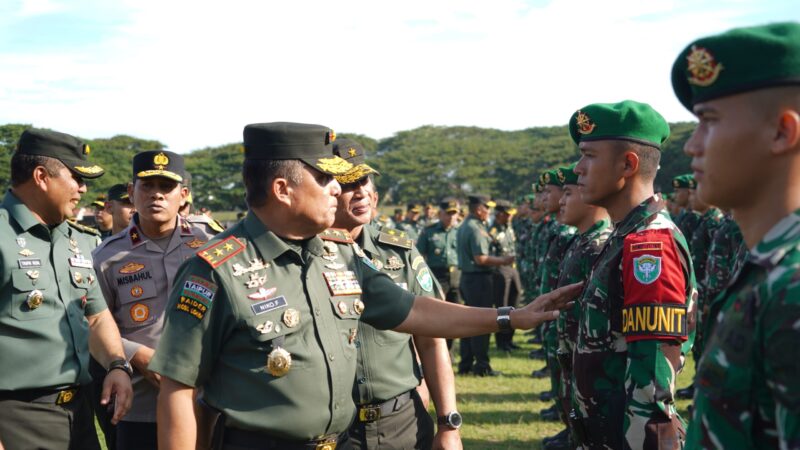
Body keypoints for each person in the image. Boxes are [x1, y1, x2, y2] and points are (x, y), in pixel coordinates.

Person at [149, 122, 580, 450]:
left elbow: (415, 310)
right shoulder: (216, 269)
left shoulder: (337, 253)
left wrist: (509, 317)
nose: (338, 188)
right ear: (282, 189)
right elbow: (179, 389)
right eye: (324, 178)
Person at [671, 22, 800, 449]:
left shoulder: (791, 286)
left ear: (782, 132)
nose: (692, 146)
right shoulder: (770, 269)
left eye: (709, 121)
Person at [568, 101, 697, 450]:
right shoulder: (625, 235)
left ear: (627, 164)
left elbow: (651, 387)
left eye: (589, 156)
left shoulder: (650, 245)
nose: (578, 169)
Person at [0, 128, 133, 449]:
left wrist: (117, 364)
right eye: (75, 177)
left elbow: (97, 316)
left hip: (78, 412)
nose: (83, 189)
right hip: (16, 416)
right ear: (41, 176)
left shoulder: (75, 240)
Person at [329, 138, 461, 449]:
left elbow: (431, 339)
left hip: (401, 425)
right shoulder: (303, 256)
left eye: (364, 180)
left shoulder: (398, 250)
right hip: (333, 429)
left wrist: (448, 424)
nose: (360, 191)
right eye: (348, 184)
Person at [93, 150, 217, 449]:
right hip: (138, 403)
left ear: (183, 194)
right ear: (131, 192)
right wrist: (135, 354)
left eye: (166, 187)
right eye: (147, 186)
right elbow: (93, 323)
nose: (156, 195)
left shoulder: (210, 248)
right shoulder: (106, 256)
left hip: (203, 398)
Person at [543, 162, 613, 450]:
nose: (561, 201)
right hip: (571, 345)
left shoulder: (600, 245)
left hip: (587, 352)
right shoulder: (583, 241)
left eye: (569, 193)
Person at [456, 193, 513, 377]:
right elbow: (480, 258)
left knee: (467, 323)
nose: (488, 211)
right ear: (479, 209)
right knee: (482, 323)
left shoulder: (467, 225)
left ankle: (465, 364)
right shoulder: (475, 229)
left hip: (469, 279)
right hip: (478, 281)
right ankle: (482, 365)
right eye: (486, 208)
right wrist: (503, 260)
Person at [416, 196, 462, 349]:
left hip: (457, 274)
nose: (451, 217)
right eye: (448, 213)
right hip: (436, 276)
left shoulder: (460, 231)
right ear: (440, 214)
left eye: (454, 213)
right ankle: (437, 348)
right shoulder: (429, 231)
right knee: (439, 314)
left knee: (457, 312)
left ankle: (450, 349)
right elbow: (419, 256)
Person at [489, 199, 523, 351]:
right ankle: (501, 342)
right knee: (502, 306)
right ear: (499, 214)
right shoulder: (492, 231)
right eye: (507, 214)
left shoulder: (509, 227)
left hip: (512, 268)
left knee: (514, 303)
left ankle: (509, 339)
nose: (510, 217)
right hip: (500, 270)